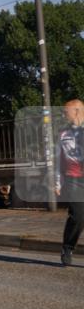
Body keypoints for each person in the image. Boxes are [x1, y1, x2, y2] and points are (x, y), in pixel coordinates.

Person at [55, 98, 84, 266]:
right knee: (78, 216)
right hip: (74, 179)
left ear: (77, 111)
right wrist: (57, 182)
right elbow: (59, 160)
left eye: (66, 112)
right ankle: (68, 247)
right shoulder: (63, 134)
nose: (64, 114)